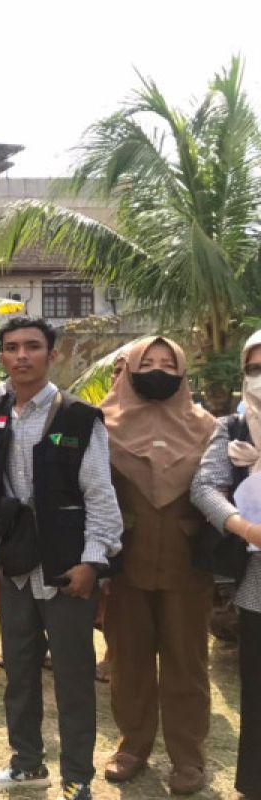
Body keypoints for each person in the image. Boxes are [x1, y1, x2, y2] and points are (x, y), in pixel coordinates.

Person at [0, 317, 122, 800]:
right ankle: (26, 764)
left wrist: (92, 563)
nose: (22, 356)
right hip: (15, 569)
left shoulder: (80, 418)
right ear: (1, 357)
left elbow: (101, 498)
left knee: (75, 677)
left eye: (32, 347)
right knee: (18, 669)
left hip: (66, 570)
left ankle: (78, 776)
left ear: (51, 354)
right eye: (12, 347)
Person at [100, 337, 216, 794]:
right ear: (128, 369)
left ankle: (188, 757)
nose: (159, 370)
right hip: (126, 561)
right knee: (128, 659)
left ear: (184, 373)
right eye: (148, 363)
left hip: (188, 564)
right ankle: (132, 746)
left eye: (170, 364)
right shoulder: (100, 424)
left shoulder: (207, 425)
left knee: (187, 662)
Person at [190, 329, 261, 800]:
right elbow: (204, 487)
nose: (260, 378)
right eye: (254, 369)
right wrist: (244, 527)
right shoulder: (231, 428)